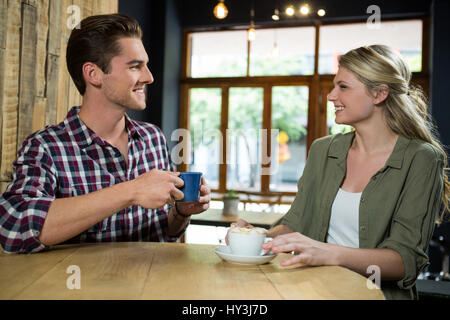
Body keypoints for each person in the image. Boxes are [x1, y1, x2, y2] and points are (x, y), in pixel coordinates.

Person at [232, 45, 449, 300]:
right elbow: (297, 223)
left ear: (379, 94)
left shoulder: (421, 158)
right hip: (311, 293)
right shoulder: (322, 150)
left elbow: (404, 261)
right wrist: (257, 237)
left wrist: (327, 252)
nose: (332, 96)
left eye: (343, 87)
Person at [0, 14, 210, 254]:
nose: (149, 77)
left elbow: (164, 233)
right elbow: (13, 230)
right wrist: (131, 191)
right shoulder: (46, 146)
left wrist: (181, 212)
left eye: (146, 65)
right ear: (93, 74)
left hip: (152, 288)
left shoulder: (153, 138)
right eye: (135, 66)